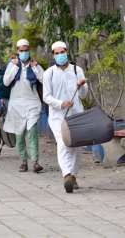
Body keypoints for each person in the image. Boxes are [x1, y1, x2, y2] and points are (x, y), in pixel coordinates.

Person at [43, 41, 88, 193]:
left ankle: (73, 176)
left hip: (76, 114)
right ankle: (66, 174)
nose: (60, 55)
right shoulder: (49, 73)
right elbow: (46, 97)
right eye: (57, 53)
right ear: (53, 55)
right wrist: (61, 103)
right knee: (63, 143)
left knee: (76, 145)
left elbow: (83, 95)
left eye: (62, 52)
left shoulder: (77, 70)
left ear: (67, 52)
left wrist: (81, 87)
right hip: (57, 116)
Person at [3, 39, 44, 172]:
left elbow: (44, 79)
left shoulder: (35, 65)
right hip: (16, 105)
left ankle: (35, 161)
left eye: (26, 50)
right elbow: (6, 82)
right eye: (21, 50)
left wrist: (35, 68)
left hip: (32, 103)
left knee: (32, 132)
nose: (24, 53)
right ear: (17, 51)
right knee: (19, 135)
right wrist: (14, 66)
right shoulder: (12, 65)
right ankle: (23, 161)